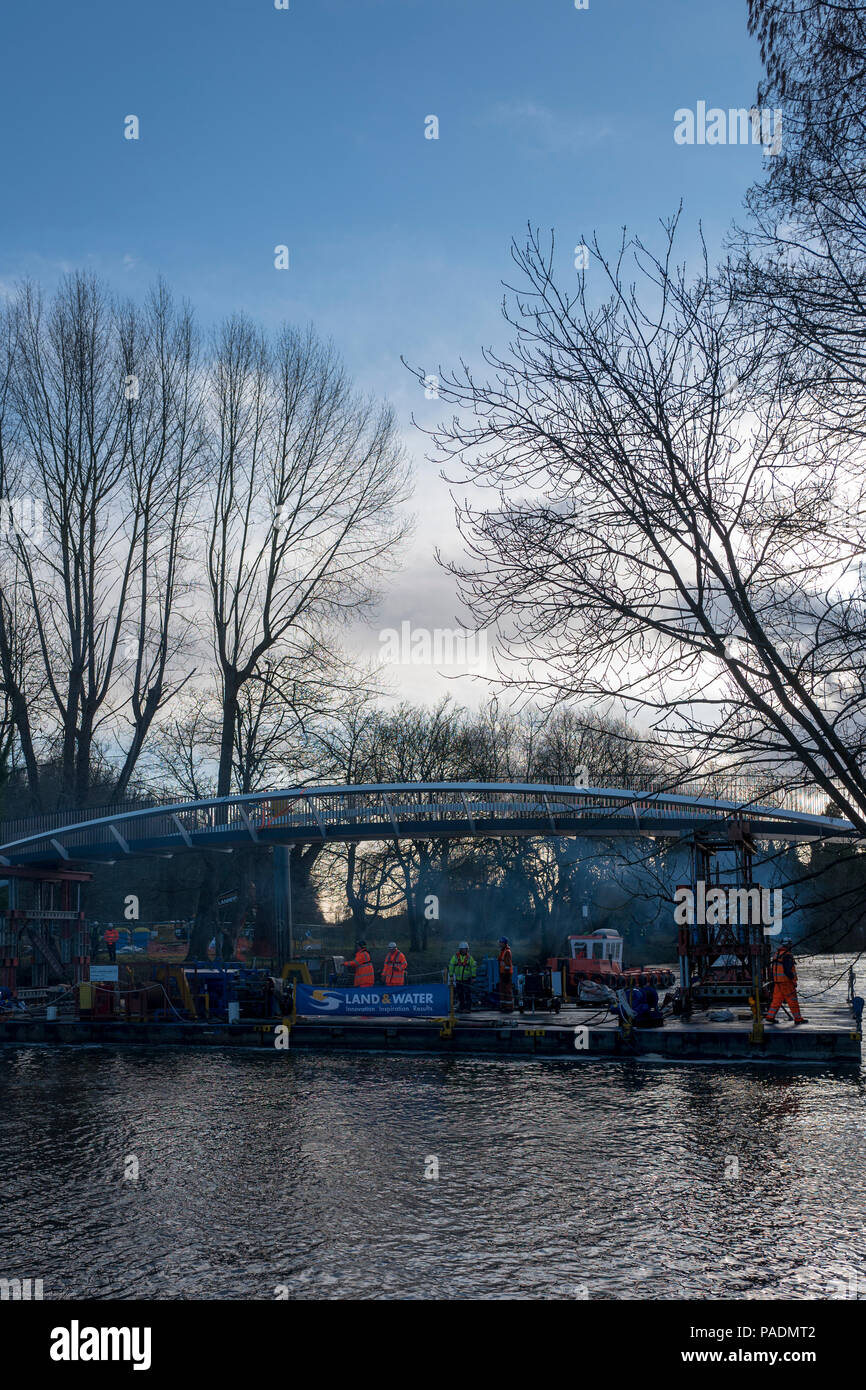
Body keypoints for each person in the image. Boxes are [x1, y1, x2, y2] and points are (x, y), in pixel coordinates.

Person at [765, 938, 808, 1024]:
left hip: (778, 982)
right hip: (786, 982)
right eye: (790, 944)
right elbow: (788, 971)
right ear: (788, 944)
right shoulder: (787, 955)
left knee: (777, 1000)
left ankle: (770, 1016)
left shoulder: (777, 954)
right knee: (792, 1000)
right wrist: (793, 980)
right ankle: (798, 1019)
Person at [448, 942, 476, 1011]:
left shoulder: (469, 958)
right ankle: (461, 1007)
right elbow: (451, 966)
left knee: (467, 994)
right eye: (463, 949)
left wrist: (473, 977)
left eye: (465, 949)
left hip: (467, 979)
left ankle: (468, 1008)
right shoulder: (455, 957)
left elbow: (473, 967)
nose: (464, 950)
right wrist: (451, 975)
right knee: (460, 994)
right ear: (460, 949)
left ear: (467, 949)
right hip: (458, 980)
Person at [498, 936, 514, 1014]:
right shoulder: (503, 951)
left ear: (504, 943)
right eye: (500, 942)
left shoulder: (507, 952)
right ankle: (503, 1006)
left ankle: (509, 1007)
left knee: (507, 991)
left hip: (506, 974)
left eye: (501, 942)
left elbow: (508, 964)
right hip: (503, 973)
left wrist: (506, 974)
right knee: (503, 990)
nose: (500, 944)